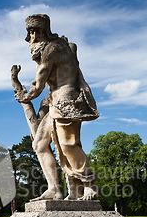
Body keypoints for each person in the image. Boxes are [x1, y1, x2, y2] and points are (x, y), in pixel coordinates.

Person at [11, 14, 99, 201]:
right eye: (29, 34)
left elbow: (38, 86)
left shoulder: (50, 49)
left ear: (43, 33)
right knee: (40, 144)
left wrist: (24, 96)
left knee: (68, 145)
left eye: (34, 34)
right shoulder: (60, 47)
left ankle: (89, 185)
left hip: (66, 102)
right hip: (55, 103)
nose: (31, 40)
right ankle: (55, 189)